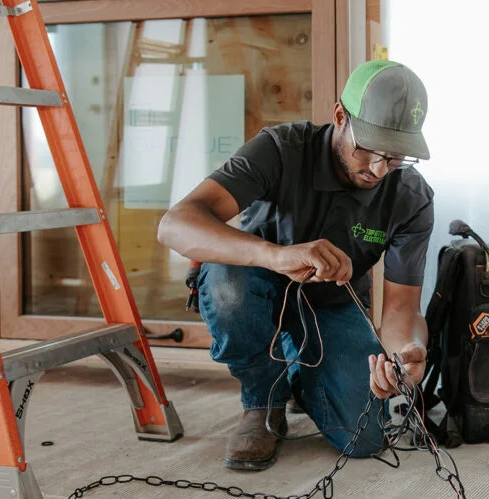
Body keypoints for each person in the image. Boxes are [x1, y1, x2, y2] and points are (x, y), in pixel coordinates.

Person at [158, 60, 434, 471]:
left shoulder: (411, 198)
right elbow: (175, 225)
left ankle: (304, 378)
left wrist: (405, 355)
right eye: (370, 150)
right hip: (259, 294)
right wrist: (276, 255)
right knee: (225, 283)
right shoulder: (280, 149)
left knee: (366, 435)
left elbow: (401, 309)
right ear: (340, 116)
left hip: (331, 306)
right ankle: (263, 403)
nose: (379, 170)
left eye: (395, 158)